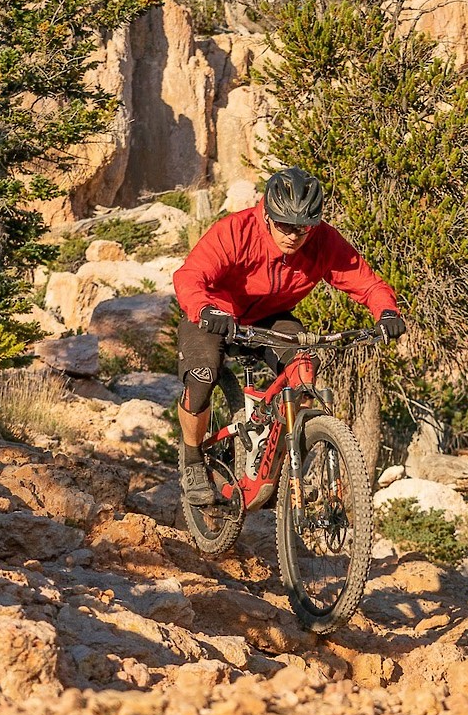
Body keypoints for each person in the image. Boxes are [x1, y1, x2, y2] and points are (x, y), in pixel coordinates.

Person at [172, 166, 407, 506]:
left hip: (271, 317)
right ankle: (194, 461)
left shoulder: (323, 241)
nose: (294, 235)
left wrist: (387, 312)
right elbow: (190, 275)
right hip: (215, 313)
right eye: (284, 225)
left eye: (303, 227)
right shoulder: (236, 231)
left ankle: (284, 468)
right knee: (202, 374)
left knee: (303, 371)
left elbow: (367, 284)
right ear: (267, 214)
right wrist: (206, 309)